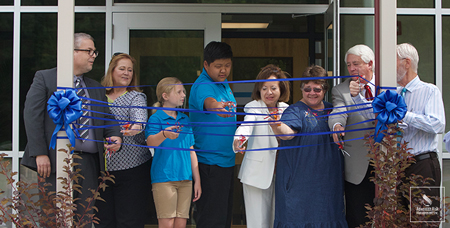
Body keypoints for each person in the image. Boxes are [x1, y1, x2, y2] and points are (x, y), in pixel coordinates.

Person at [21, 33, 122, 224]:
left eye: (95, 52)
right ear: (72, 52)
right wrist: (39, 153)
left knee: (84, 218)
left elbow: (107, 118)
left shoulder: (95, 88)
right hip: (54, 160)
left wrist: (116, 135)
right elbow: (32, 115)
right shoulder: (46, 78)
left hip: (89, 163)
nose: (93, 55)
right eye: (89, 51)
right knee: (54, 217)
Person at [350, 43, 445, 219]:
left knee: (424, 219)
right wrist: (357, 98)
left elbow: (437, 125)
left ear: (406, 63)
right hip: (398, 166)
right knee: (400, 219)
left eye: (391, 60)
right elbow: (374, 115)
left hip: (422, 164)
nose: (385, 66)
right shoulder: (393, 92)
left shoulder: (429, 90)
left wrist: (403, 115)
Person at [270, 65, 347, 228]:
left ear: (325, 89)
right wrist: (277, 126)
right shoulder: (294, 110)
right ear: (301, 89)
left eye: (317, 89)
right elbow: (288, 133)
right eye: (307, 89)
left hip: (328, 186)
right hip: (300, 187)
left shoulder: (332, 110)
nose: (312, 93)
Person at [95, 53, 152, 227]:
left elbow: (140, 120)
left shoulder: (136, 97)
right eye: (122, 69)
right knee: (103, 221)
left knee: (130, 221)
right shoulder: (98, 96)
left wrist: (132, 129)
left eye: (130, 70)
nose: (127, 73)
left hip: (132, 170)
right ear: (112, 71)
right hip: (102, 170)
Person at [232, 64, 290, 228]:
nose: (268, 92)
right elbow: (246, 126)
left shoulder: (287, 110)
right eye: (264, 88)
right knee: (258, 223)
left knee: (277, 222)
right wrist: (239, 139)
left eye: (273, 88)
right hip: (256, 176)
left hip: (281, 175)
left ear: (281, 89)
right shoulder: (253, 107)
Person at [188, 41, 236, 228]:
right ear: (206, 65)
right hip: (210, 164)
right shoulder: (203, 85)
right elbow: (209, 102)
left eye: (227, 65)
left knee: (223, 220)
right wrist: (217, 107)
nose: (223, 70)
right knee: (211, 221)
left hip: (225, 161)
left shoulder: (223, 84)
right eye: (218, 66)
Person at [328, 44, 376, 227]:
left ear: (370, 63)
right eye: (349, 65)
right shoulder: (342, 90)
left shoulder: (388, 84)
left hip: (387, 163)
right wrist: (337, 125)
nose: (352, 68)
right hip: (359, 166)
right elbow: (338, 112)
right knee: (358, 218)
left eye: (356, 63)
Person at [145, 77, 201, 228]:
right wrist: (164, 134)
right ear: (165, 96)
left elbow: (191, 150)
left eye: (183, 91)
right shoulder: (156, 118)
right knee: (167, 223)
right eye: (179, 92)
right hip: (164, 178)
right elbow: (150, 142)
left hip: (186, 179)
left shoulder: (185, 119)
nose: (183, 95)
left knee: (181, 223)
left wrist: (197, 180)